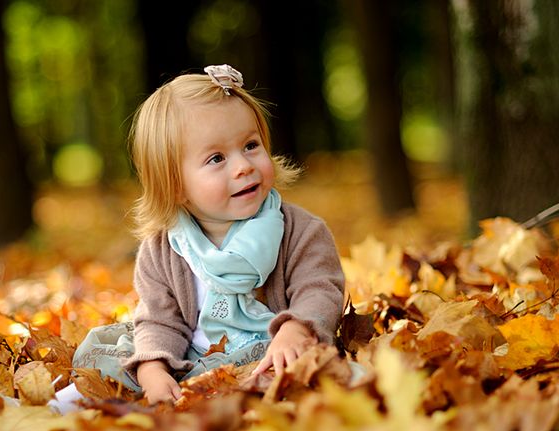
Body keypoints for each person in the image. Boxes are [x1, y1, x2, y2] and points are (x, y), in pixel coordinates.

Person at [54, 64, 345, 409]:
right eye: (217, 158)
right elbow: (160, 319)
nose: (243, 166)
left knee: (323, 373)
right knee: (126, 353)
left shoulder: (300, 231)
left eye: (251, 145)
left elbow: (319, 288)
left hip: (268, 349)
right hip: (189, 358)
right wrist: (153, 368)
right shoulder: (164, 249)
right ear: (175, 186)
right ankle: (63, 405)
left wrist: (297, 329)